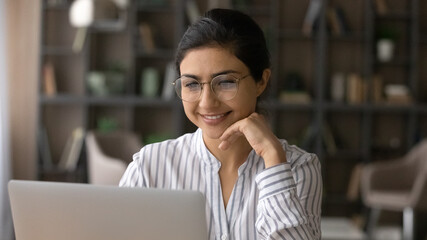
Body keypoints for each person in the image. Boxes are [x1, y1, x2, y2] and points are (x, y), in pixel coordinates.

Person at [120, 8, 322, 240]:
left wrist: (273, 159)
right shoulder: (149, 167)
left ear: (261, 81)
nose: (207, 103)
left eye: (225, 82)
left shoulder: (299, 168)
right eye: (192, 84)